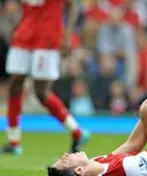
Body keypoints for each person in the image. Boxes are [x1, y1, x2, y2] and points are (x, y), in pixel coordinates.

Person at [2, 0, 90, 155]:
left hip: (48, 34)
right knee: (15, 84)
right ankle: (14, 142)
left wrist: (67, 34)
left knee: (41, 91)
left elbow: (72, 6)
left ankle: (77, 131)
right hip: (24, 33)